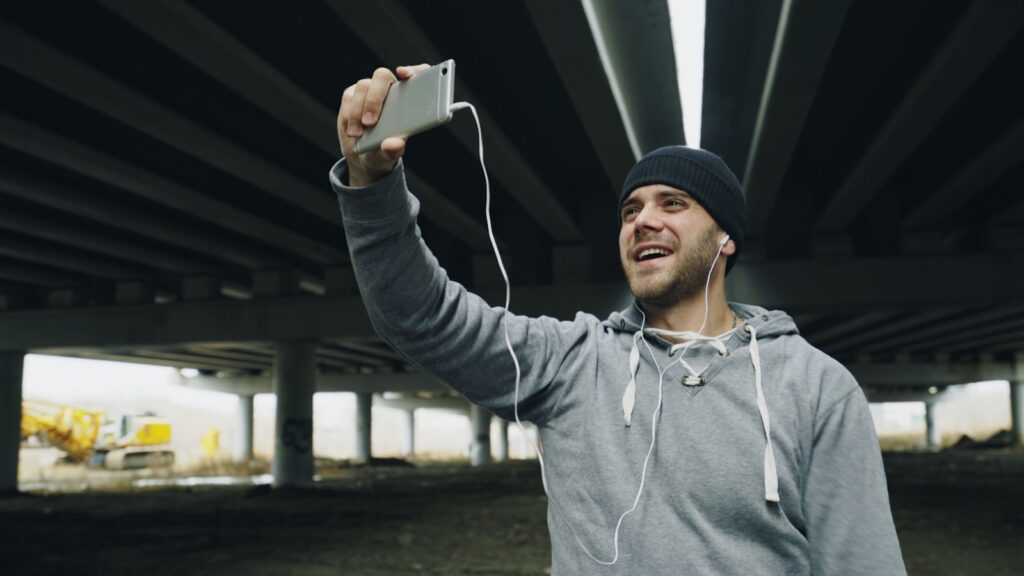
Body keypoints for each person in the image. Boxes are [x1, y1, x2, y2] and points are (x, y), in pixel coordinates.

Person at [331, 65, 907, 575]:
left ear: (726, 237)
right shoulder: (570, 365)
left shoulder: (816, 388)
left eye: (673, 204)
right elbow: (418, 316)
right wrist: (372, 183)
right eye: (631, 210)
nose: (643, 221)